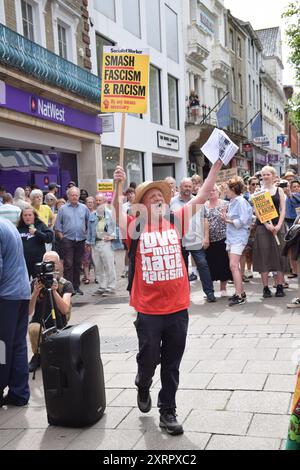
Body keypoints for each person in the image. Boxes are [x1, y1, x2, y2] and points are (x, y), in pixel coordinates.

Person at [113, 158, 222, 435]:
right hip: (148, 309)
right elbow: (114, 211)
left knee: (172, 363)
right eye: (151, 197)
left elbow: (201, 195)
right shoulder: (135, 227)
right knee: (149, 357)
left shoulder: (177, 220)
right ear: (142, 205)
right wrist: (117, 186)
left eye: (161, 196)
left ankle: (168, 411)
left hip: (177, 307)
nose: (158, 199)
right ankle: (143, 382)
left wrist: (216, 167)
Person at [0, 218, 31, 407]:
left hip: (6, 295)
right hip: (20, 291)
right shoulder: (7, 223)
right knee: (17, 345)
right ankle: (19, 393)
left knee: (2, 346)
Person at [171, 178, 216, 303]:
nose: (188, 189)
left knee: (202, 265)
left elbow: (205, 219)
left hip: (196, 239)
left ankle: (210, 292)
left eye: (190, 186)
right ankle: (184, 295)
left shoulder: (198, 201)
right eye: (185, 186)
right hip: (178, 240)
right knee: (182, 268)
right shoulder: (172, 202)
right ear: (180, 187)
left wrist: (206, 237)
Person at [28, 251, 73, 372]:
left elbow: (64, 309)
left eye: (52, 263)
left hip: (58, 321)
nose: (49, 266)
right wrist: (35, 293)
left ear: (58, 265)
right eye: (46, 263)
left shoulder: (65, 284)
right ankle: (37, 356)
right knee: (33, 328)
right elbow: (28, 311)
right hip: (39, 321)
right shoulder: (35, 283)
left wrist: (54, 291)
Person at [253, 166, 288, 298]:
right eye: (263, 174)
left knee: (279, 256)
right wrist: (267, 224)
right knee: (264, 256)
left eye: (268, 174)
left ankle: (279, 286)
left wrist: (279, 225)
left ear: (273, 176)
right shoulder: (258, 191)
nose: (266, 176)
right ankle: (265, 288)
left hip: (278, 227)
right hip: (263, 228)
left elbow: (283, 209)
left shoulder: (279, 190)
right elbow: (257, 211)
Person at [222, 178, 252, 306]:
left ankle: (240, 295)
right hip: (232, 237)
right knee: (234, 266)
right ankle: (240, 292)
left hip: (238, 237)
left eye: (227, 188)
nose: (225, 191)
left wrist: (227, 220)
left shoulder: (240, 201)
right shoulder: (233, 201)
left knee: (234, 266)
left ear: (233, 189)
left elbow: (244, 220)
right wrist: (226, 217)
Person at [54, 186, 90, 295]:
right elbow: (58, 226)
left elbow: (89, 223)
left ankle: (76, 286)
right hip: (68, 240)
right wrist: (62, 238)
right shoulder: (62, 209)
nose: (74, 197)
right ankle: (69, 288)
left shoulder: (84, 208)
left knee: (78, 264)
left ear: (79, 196)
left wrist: (87, 236)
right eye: (72, 195)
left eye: (76, 195)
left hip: (81, 239)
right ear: (68, 196)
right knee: (68, 264)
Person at [87, 194, 120, 296]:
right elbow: (89, 230)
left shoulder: (110, 214)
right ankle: (102, 286)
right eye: (96, 200)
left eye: (100, 200)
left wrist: (112, 236)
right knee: (98, 266)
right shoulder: (92, 215)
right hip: (95, 243)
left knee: (109, 265)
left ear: (105, 201)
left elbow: (117, 227)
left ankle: (111, 287)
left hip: (106, 243)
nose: (98, 202)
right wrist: (88, 243)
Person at [205, 185, 232, 297]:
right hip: (208, 239)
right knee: (209, 264)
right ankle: (210, 290)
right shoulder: (203, 205)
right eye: (209, 190)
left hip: (223, 238)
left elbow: (231, 218)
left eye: (214, 190)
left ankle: (223, 288)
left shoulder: (225, 204)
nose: (211, 192)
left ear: (219, 192)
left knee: (223, 263)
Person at [17, 206, 53, 279]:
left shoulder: (40, 225)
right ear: (22, 217)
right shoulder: (19, 228)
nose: (27, 217)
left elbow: (49, 238)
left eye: (30, 215)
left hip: (38, 261)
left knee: (38, 283)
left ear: (34, 216)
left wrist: (36, 232)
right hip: (24, 262)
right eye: (25, 215)